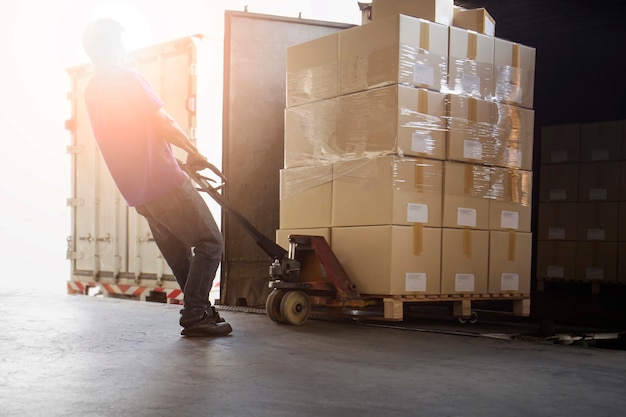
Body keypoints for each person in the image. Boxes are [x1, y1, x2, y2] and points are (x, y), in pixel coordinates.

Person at [81, 18, 232, 337]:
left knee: (179, 252)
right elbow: (162, 123)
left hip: (139, 194)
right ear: (115, 47)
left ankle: (200, 309)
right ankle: (195, 313)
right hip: (165, 183)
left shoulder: (92, 90)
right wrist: (194, 152)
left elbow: (129, 138)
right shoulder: (127, 80)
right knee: (210, 242)